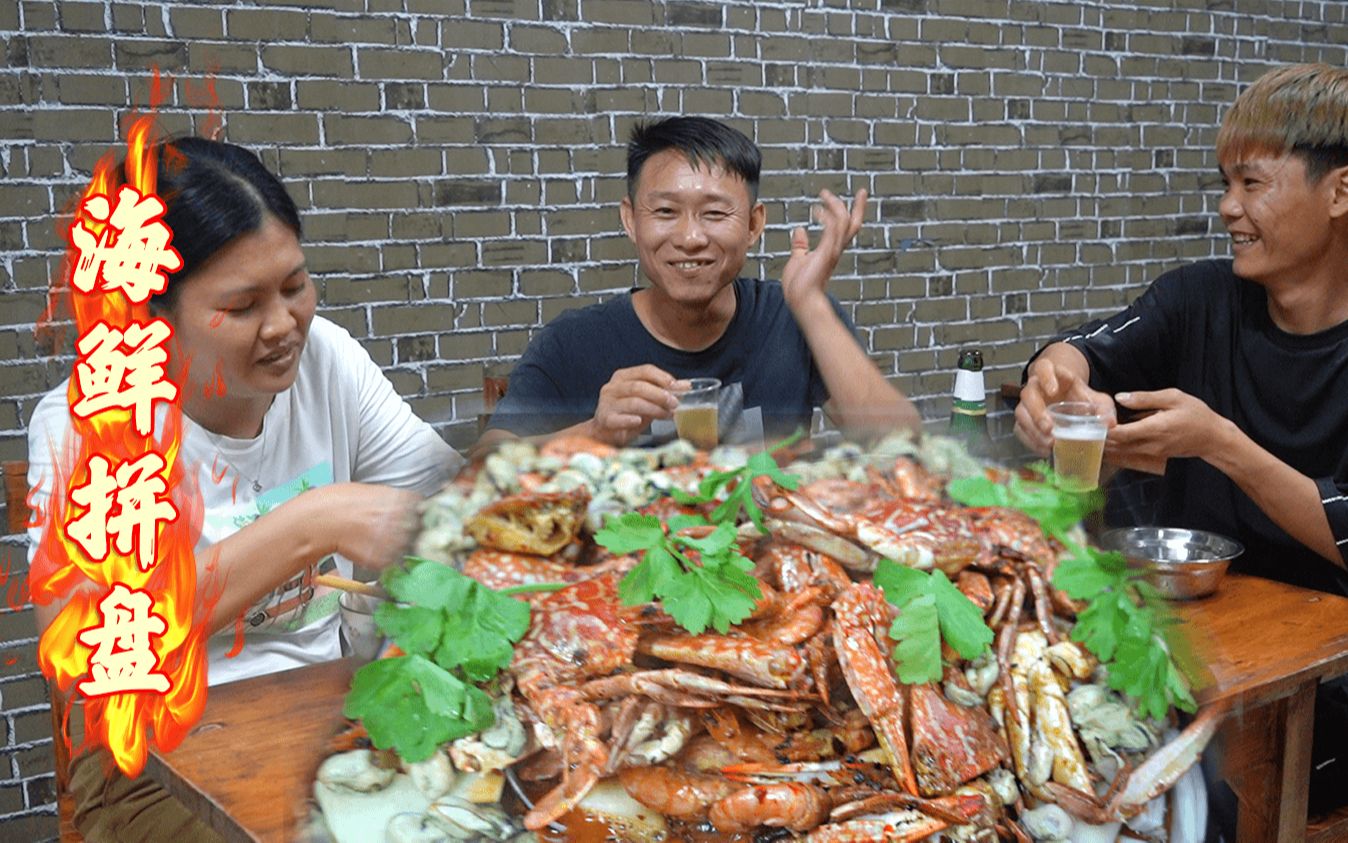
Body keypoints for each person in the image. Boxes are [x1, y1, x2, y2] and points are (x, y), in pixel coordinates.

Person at [27, 137, 464, 840]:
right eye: (241, 305)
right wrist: (309, 523)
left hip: (333, 715)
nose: (285, 325)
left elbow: (449, 499)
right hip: (153, 762)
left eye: (295, 286)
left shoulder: (328, 360)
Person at [1012, 62, 1348, 824]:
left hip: (1323, 675)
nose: (1229, 209)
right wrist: (1057, 384)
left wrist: (1222, 443)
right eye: (1223, 183)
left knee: (1205, 796)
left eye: (1252, 183)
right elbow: (1078, 351)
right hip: (1189, 647)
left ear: (1339, 191)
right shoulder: (1199, 297)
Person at [479, 116, 920, 451]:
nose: (691, 239)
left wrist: (810, 304)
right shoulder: (572, 342)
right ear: (631, 220)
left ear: (752, 224)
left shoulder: (792, 317)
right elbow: (482, 468)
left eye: (714, 213)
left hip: (766, 562)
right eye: (666, 212)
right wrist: (594, 433)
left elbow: (903, 446)